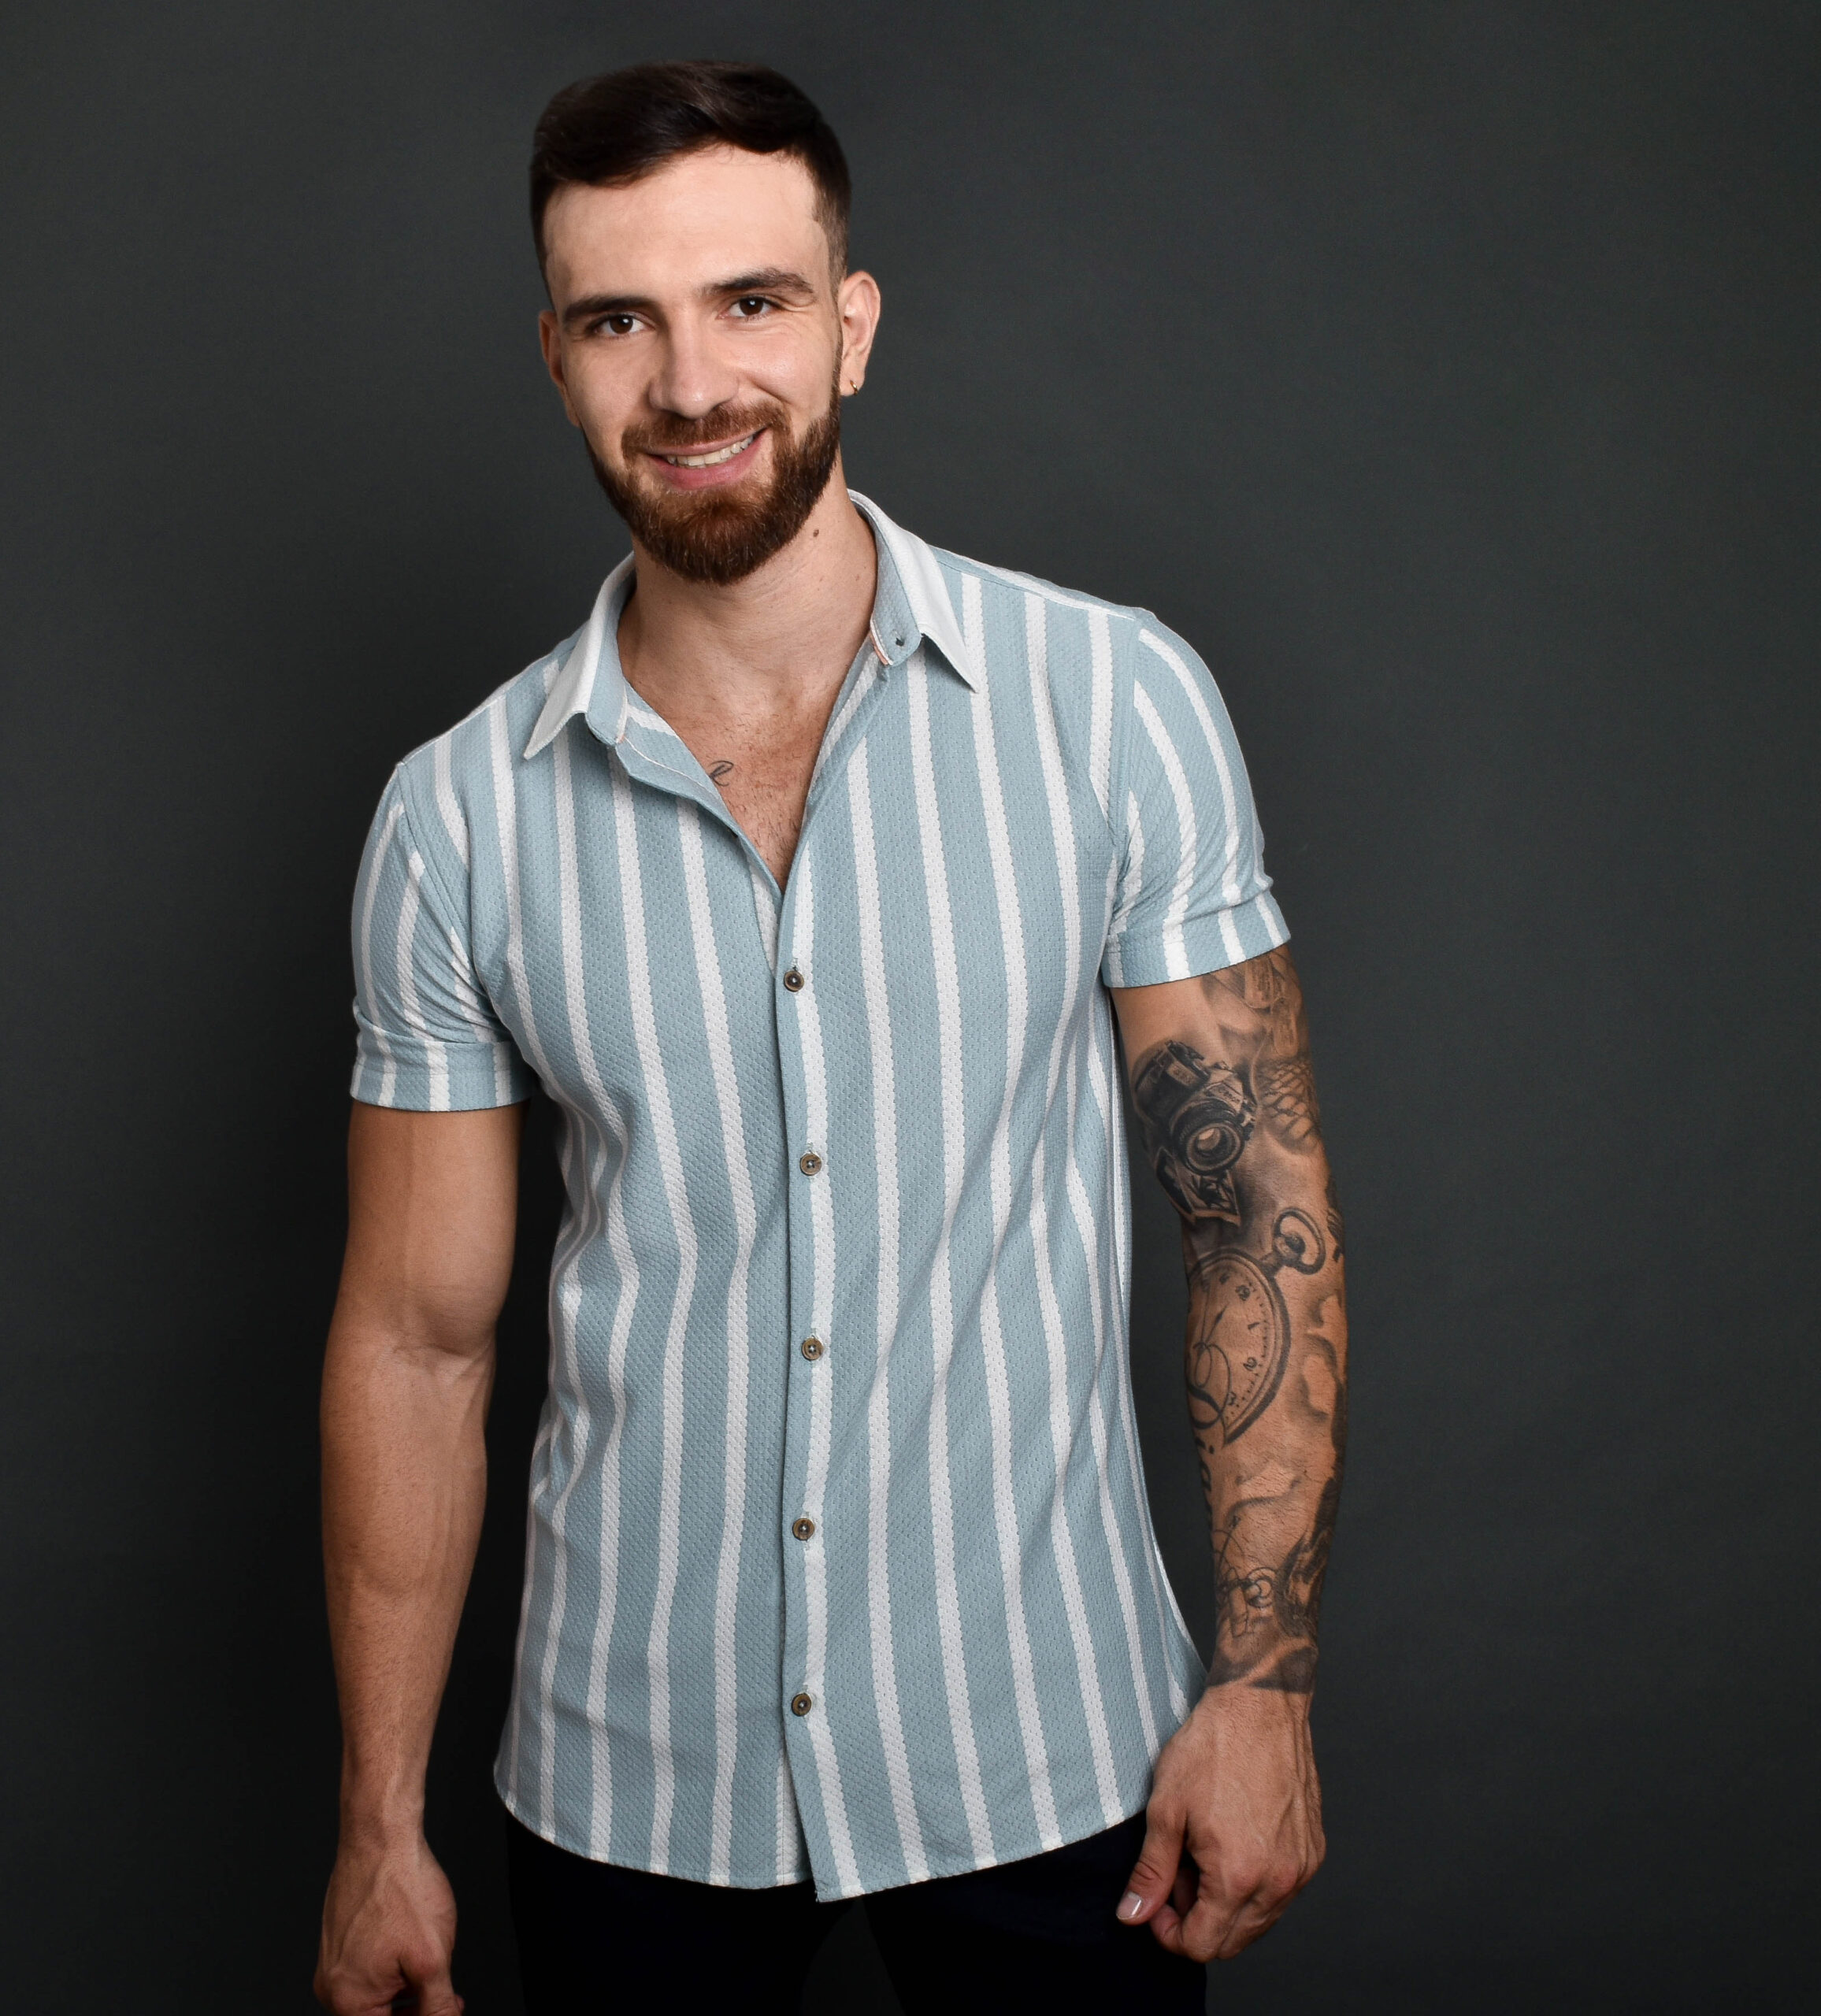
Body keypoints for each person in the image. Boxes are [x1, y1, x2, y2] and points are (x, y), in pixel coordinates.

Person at [314, 59, 1347, 2016]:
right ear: (553, 357)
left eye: (751, 301)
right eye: (619, 319)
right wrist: (379, 1819)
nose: (690, 383)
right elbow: (418, 1339)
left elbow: (1249, 1212)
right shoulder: (452, 819)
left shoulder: (1110, 704)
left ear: (850, 326)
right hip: (630, 1778)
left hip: (1055, 1749)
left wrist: (1264, 1683)